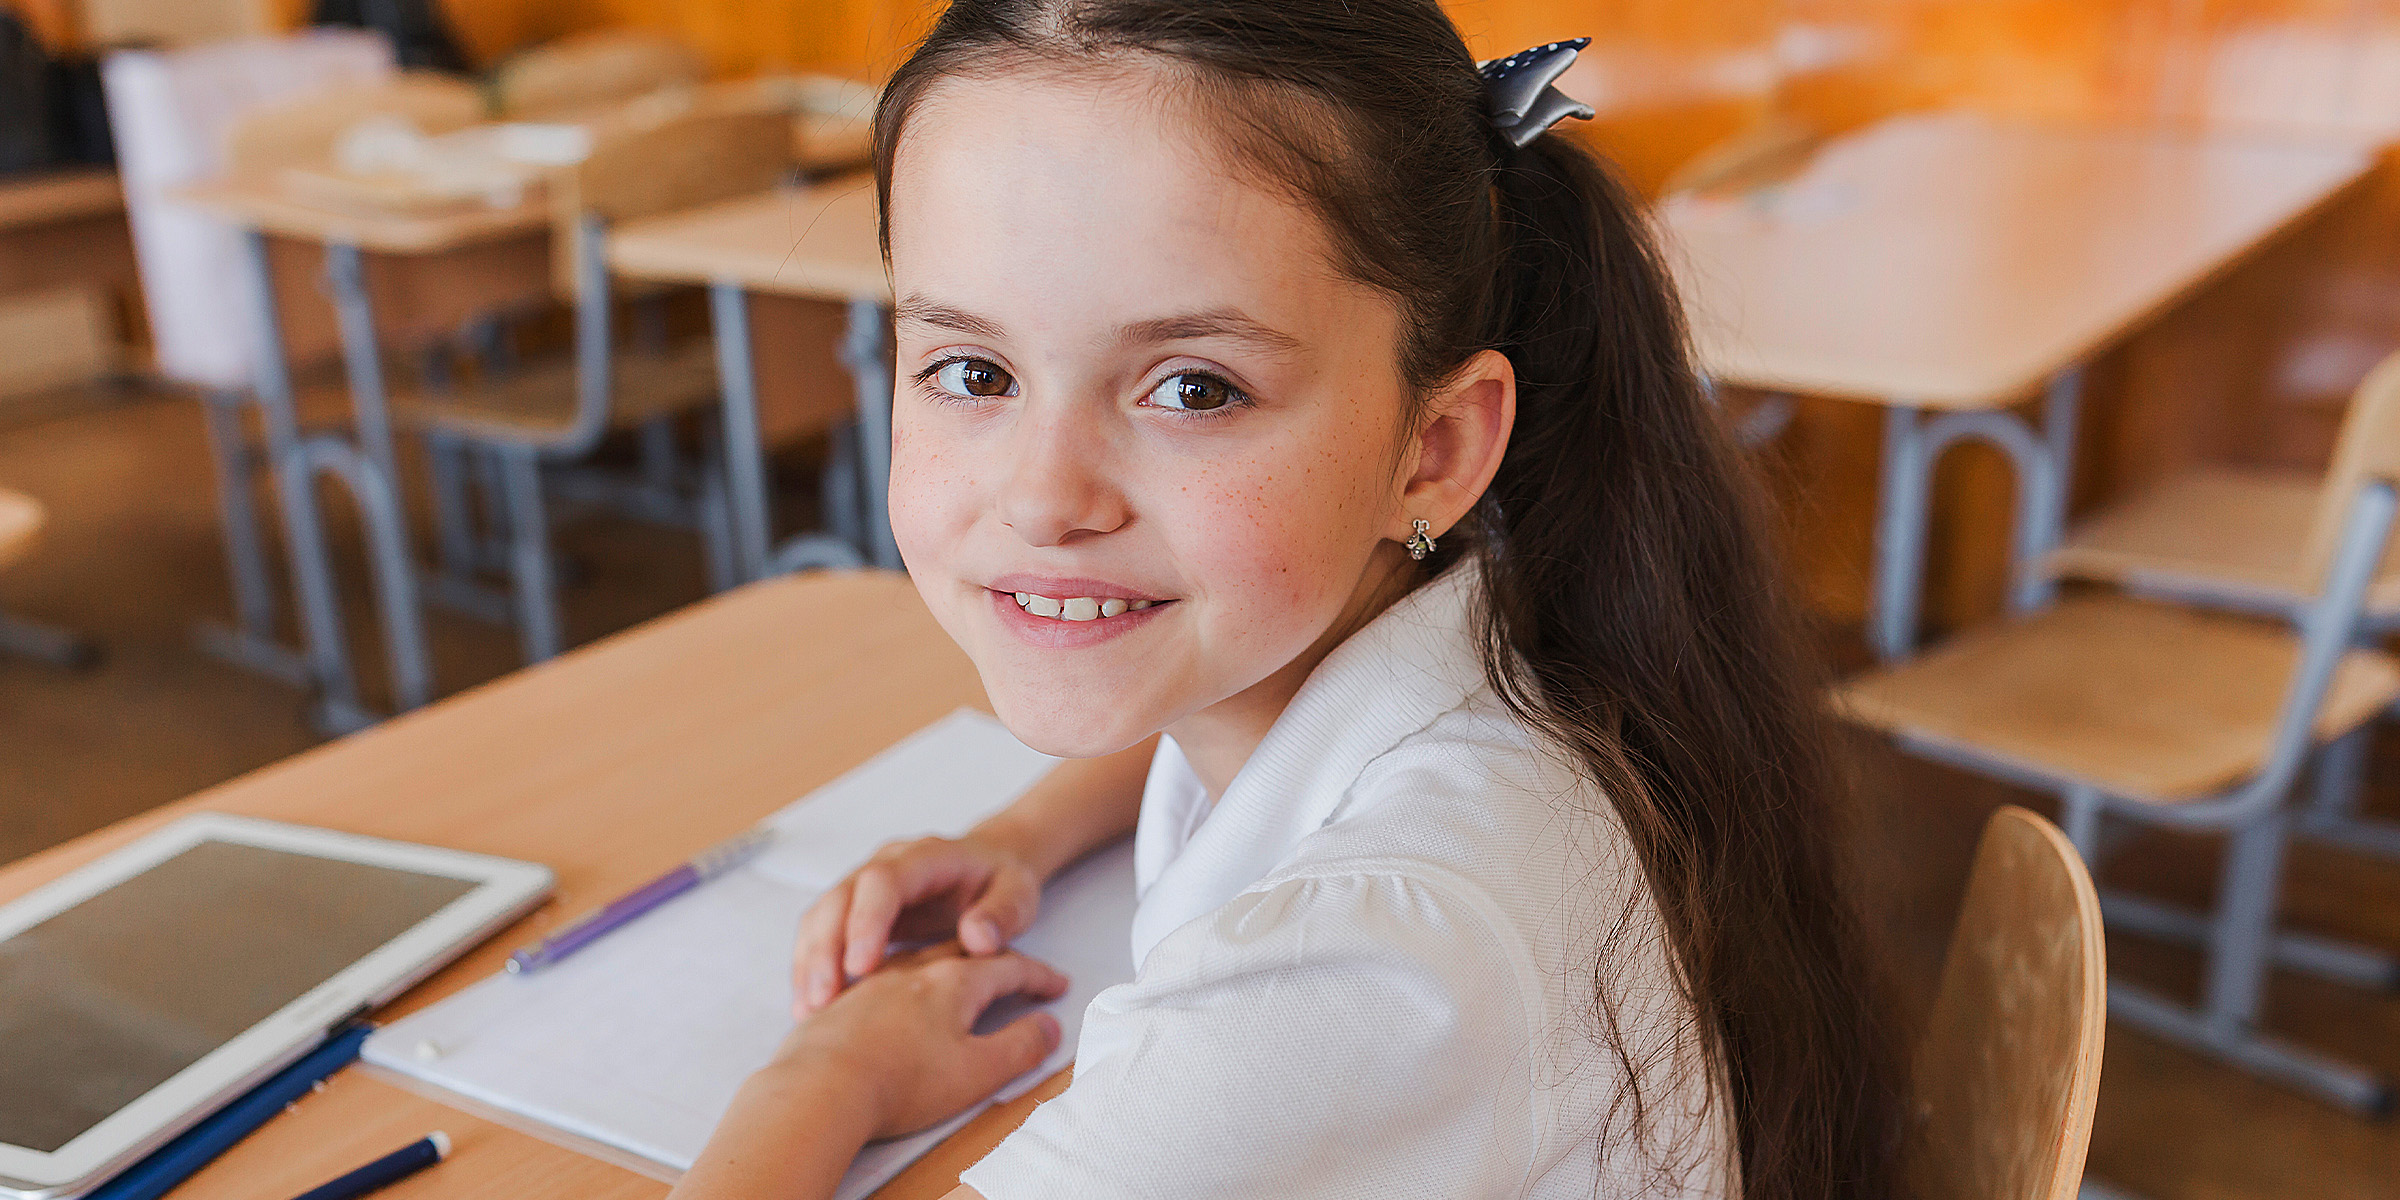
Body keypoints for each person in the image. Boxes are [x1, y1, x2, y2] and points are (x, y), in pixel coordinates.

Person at [670, 2, 1902, 1198]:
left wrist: (820, 1080)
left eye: (1194, 390)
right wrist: (1022, 836)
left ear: (1434, 449)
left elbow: (1342, 966)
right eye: (973, 371)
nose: (1045, 500)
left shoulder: (1367, 961)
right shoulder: (1474, 614)